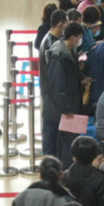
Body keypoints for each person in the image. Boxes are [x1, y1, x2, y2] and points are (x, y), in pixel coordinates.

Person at [45, 22, 86, 168]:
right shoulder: (59, 55)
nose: (80, 41)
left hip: (69, 107)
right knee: (66, 145)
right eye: (80, 38)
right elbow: (58, 86)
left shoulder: (69, 51)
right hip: (63, 111)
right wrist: (67, 108)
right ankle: (65, 173)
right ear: (74, 37)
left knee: (69, 143)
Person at [38, 9, 67, 155]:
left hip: (49, 93)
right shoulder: (51, 45)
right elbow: (54, 73)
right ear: (60, 24)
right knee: (51, 131)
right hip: (51, 95)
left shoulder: (50, 39)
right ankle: (49, 164)